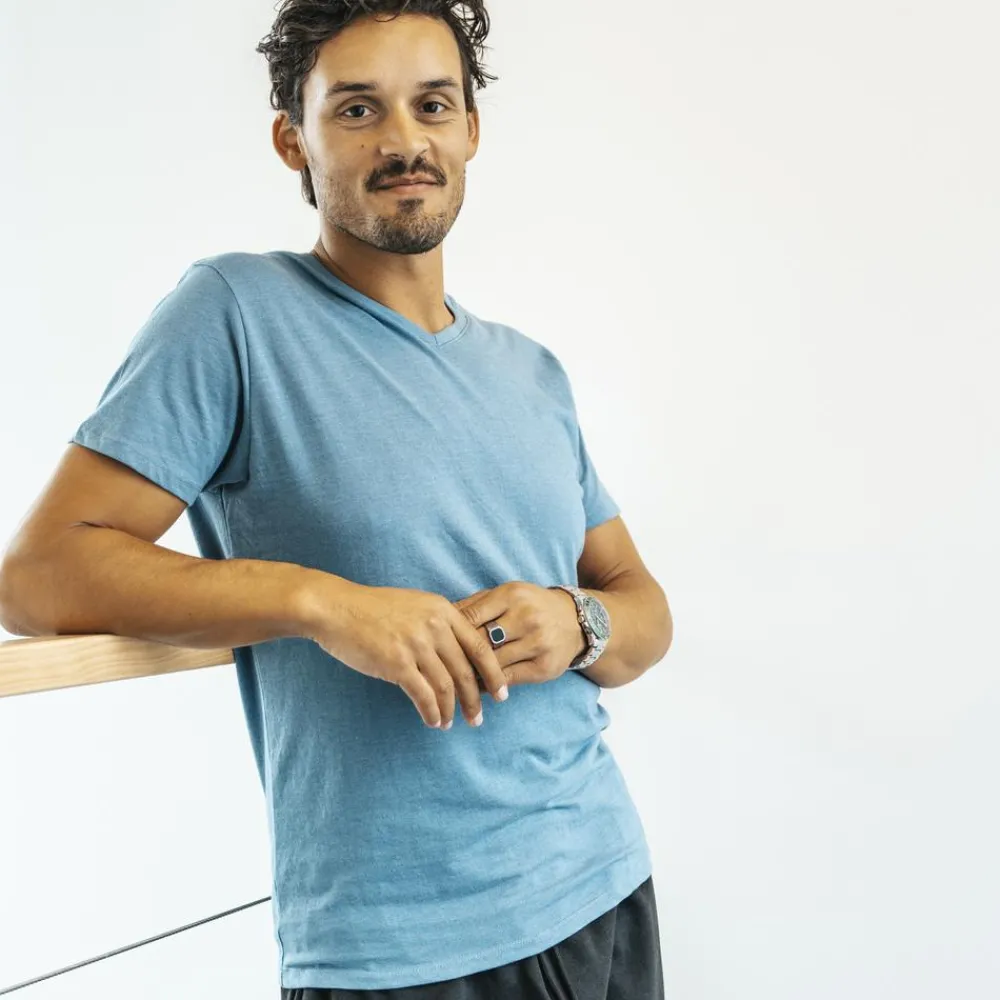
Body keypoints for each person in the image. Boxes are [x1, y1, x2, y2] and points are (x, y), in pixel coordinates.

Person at [0, 1, 672, 995]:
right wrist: (322, 603)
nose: (404, 140)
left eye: (431, 105)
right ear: (293, 140)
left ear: (469, 129)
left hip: (603, 882)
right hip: (402, 950)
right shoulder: (233, 314)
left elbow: (643, 611)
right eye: (357, 110)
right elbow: (38, 574)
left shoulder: (531, 372)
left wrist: (578, 621)